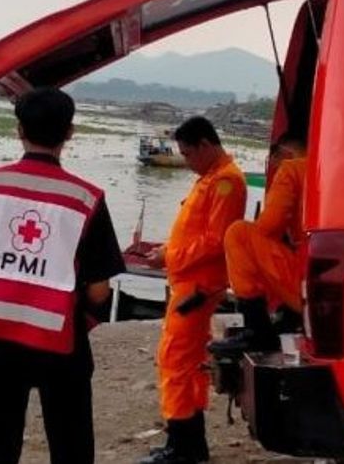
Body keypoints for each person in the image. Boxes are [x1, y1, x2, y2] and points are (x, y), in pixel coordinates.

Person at [0, 86, 125, 464]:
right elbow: (100, 293)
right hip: (60, 337)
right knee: (70, 441)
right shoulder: (86, 198)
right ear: (70, 132)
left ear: (18, 129)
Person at [140, 116, 246, 464]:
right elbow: (196, 232)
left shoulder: (226, 182)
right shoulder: (210, 179)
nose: (185, 162)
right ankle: (189, 443)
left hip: (198, 286)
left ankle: (182, 445)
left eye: (187, 154)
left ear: (205, 145)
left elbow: (216, 241)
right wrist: (166, 249)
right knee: (189, 361)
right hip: (189, 281)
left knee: (175, 360)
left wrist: (169, 255)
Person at [209, 135, 308, 355]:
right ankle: (288, 316)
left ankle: (256, 330)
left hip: (308, 284)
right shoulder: (338, 171)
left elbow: (268, 227)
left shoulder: (293, 169)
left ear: (284, 155)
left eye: (274, 165)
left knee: (239, 234)